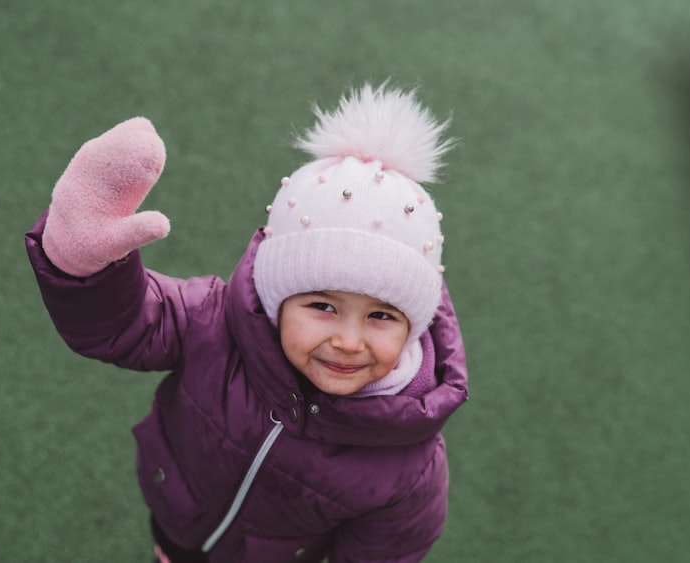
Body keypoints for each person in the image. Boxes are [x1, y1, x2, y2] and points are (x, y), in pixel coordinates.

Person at [25, 83, 469, 563]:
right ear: (277, 297)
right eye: (322, 306)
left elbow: (386, 551)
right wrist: (84, 263)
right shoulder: (213, 321)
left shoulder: (412, 465)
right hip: (179, 511)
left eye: (382, 315)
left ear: (414, 327)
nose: (347, 340)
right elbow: (125, 324)